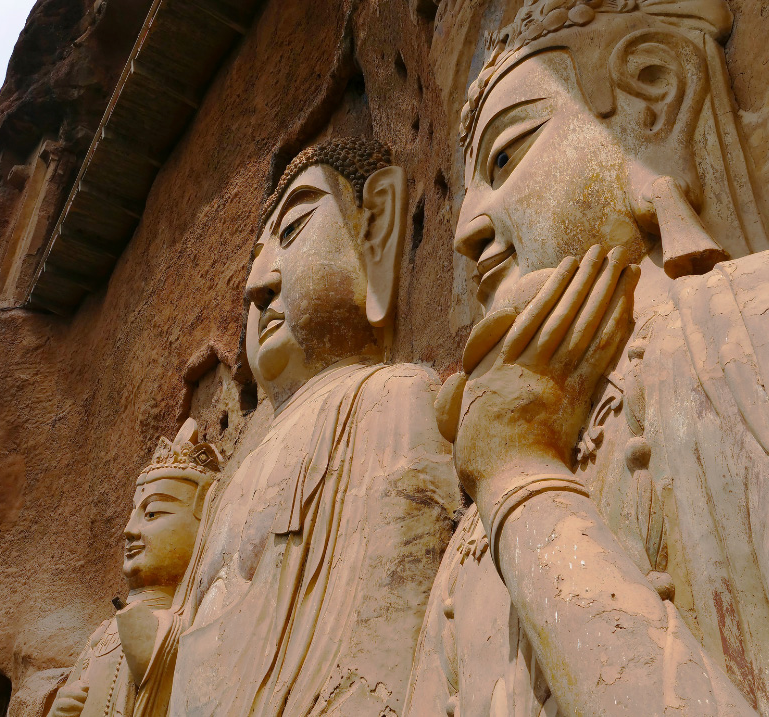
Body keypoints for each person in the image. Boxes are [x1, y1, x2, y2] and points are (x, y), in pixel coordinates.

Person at [408, 1, 769, 715]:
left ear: (654, 98)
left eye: (505, 157)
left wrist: (518, 473)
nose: (466, 229)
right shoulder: (467, 550)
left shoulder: (742, 335)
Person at [166, 138, 461, 716]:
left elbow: (384, 637)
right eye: (255, 259)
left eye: (294, 230)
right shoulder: (230, 488)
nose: (257, 285)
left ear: (374, 231)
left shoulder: (388, 400)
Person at [49, 420, 220, 717]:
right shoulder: (101, 636)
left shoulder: (193, 626)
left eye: (152, 513)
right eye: (133, 514)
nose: (129, 530)